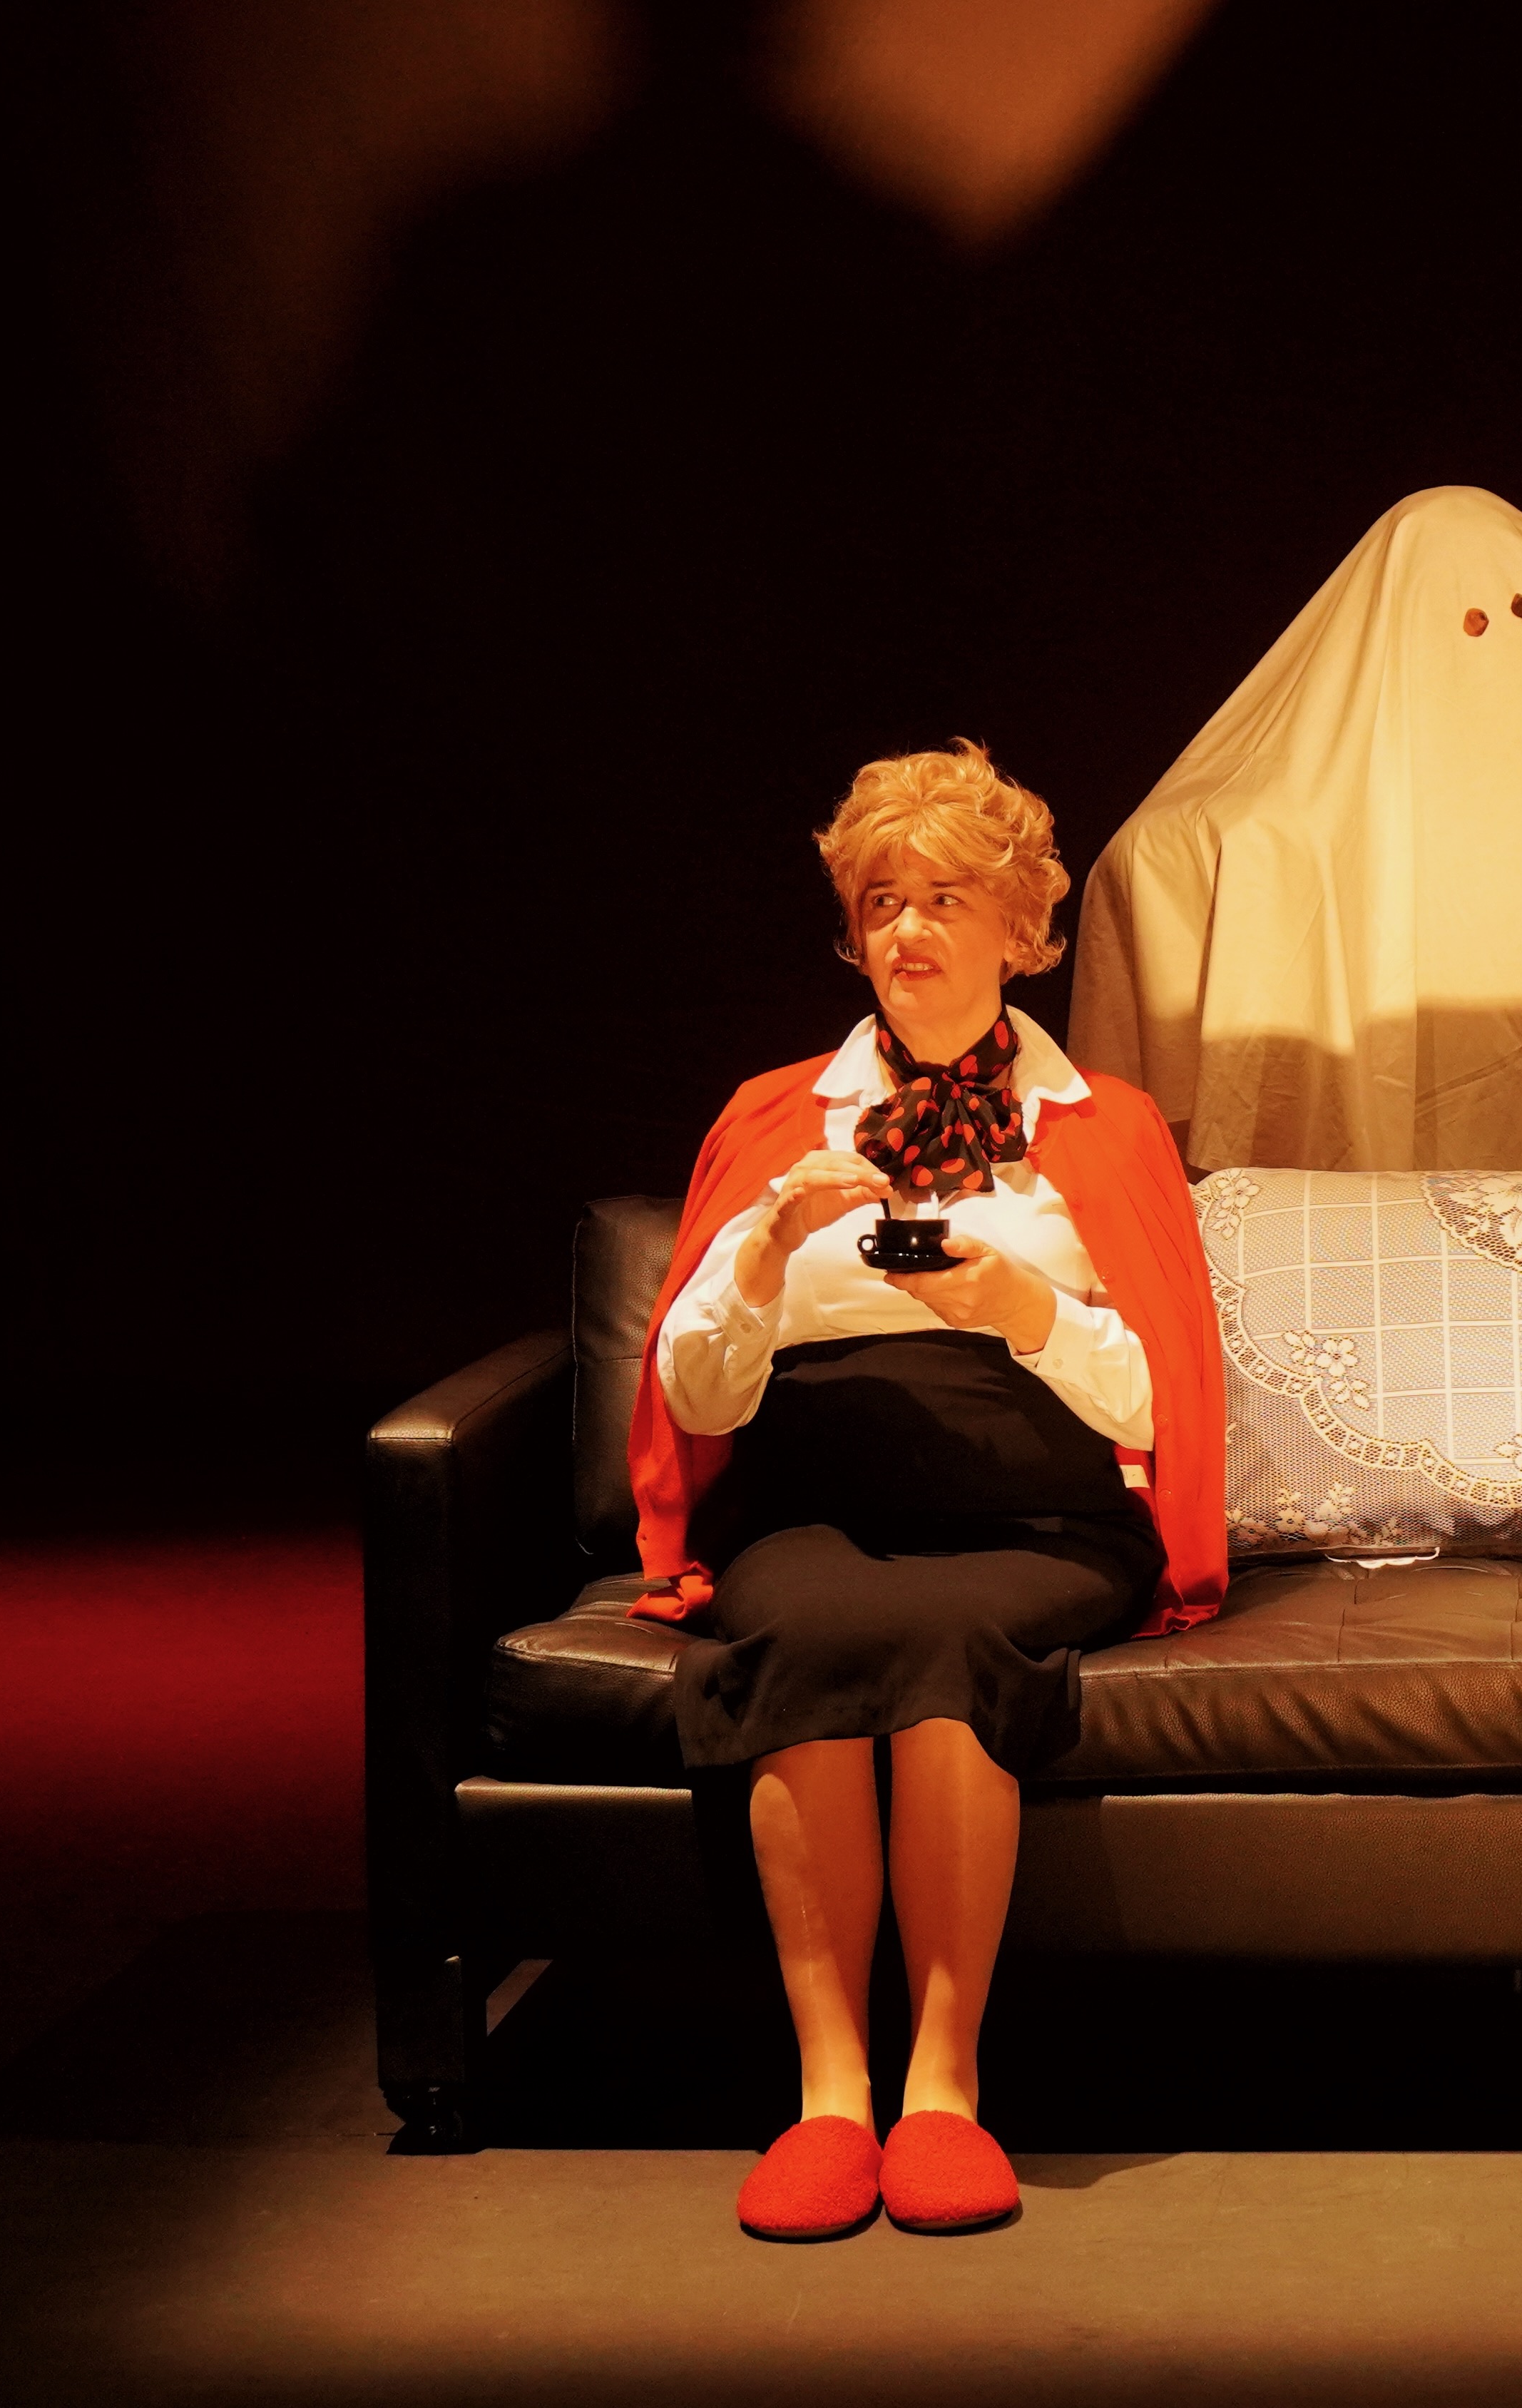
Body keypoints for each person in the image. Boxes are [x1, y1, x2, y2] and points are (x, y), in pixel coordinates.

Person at [624, 740, 1225, 2241]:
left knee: (952, 1641)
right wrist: (767, 1251)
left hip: (1039, 1519)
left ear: (1021, 927)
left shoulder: (1105, 1126)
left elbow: (1167, 1407)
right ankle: (831, 2098)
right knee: (814, 1631)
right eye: (880, 900)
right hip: (814, 1511)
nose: (906, 930)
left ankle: (943, 2090)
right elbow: (694, 1401)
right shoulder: (778, 1116)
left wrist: (1024, 1309)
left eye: (945, 897)